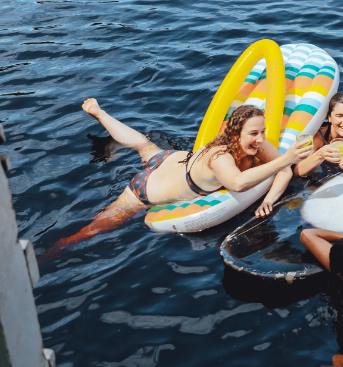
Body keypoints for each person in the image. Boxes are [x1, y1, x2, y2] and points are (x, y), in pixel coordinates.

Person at [46, 100, 312, 258]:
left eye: (263, 132)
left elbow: (284, 171)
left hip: (170, 159)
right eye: (254, 133)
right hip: (145, 191)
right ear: (236, 133)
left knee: (145, 146)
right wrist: (287, 157)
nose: (261, 139)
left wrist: (271, 198)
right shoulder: (220, 156)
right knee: (90, 232)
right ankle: (48, 253)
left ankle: (100, 113)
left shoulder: (255, 142)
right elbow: (238, 183)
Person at [288, 92, 343, 178]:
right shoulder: (318, 138)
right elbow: (298, 171)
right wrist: (320, 154)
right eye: (339, 116)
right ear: (329, 117)